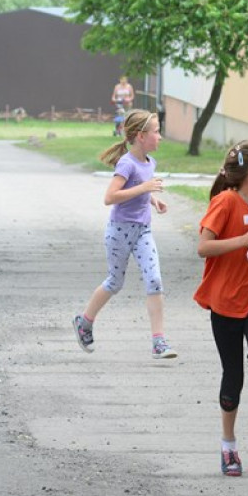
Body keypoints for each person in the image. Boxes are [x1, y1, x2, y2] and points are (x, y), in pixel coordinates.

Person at [194, 140, 248, 477]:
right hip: (226, 302)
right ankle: (228, 444)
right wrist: (242, 240)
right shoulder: (225, 203)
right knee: (232, 377)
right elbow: (204, 247)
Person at [72, 109, 177, 360]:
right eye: (156, 131)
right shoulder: (126, 163)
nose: (160, 136)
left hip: (143, 231)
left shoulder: (150, 163)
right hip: (119, 231)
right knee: (114, 282)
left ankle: (159, 342)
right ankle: (84, 322)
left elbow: (139, 190)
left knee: (154, 280)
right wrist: (145, 187)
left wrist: (153, 200)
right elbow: (110, 197)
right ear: (141, 136)